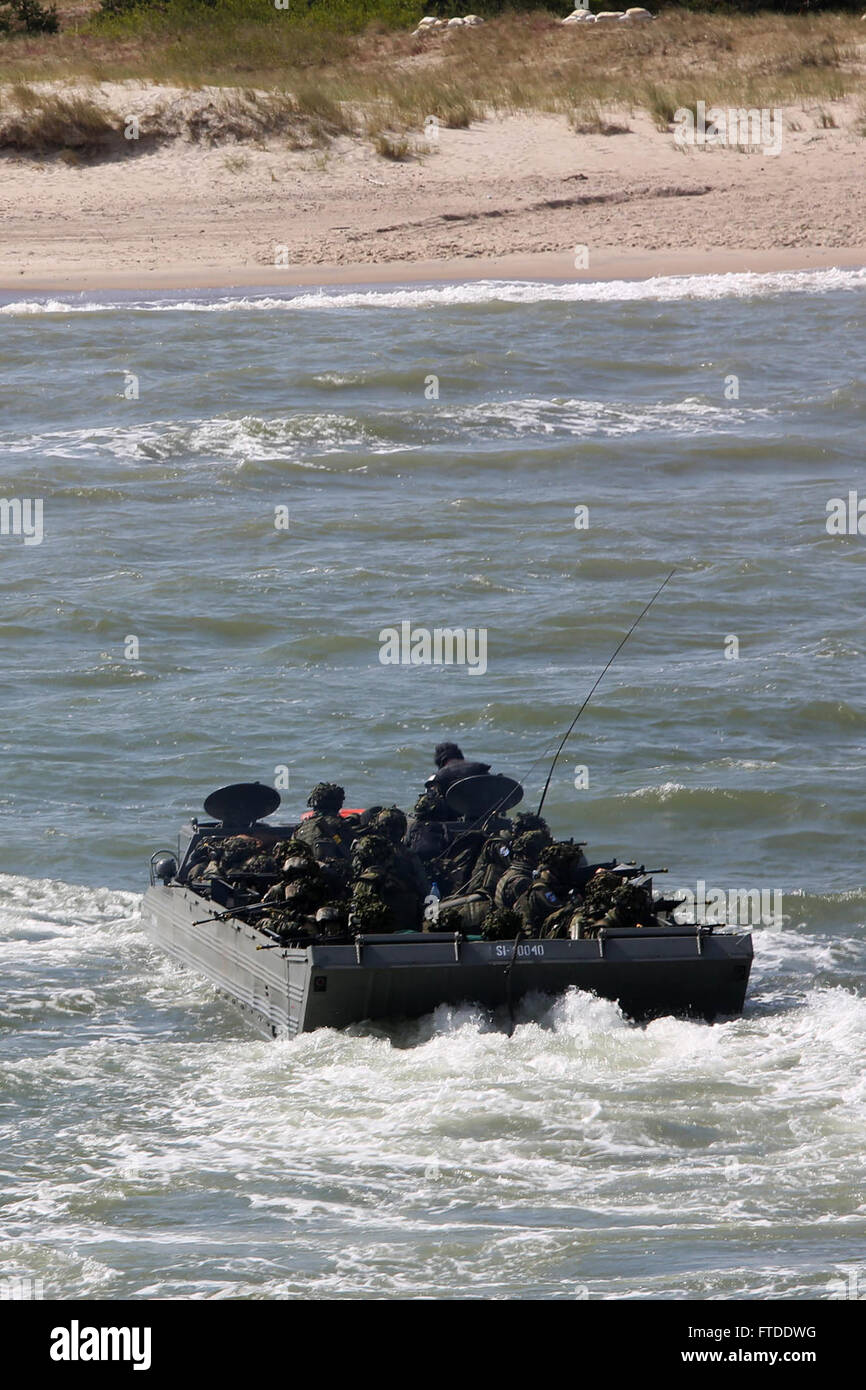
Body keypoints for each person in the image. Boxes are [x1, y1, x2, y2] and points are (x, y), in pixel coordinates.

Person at [293, 782, 353, 884]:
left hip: (302, 878)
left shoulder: (300, 828)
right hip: (331, 880)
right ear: (338, 803)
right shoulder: (339, 825)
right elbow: (352, 852)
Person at [425, 742, 491, 797]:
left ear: (440, 761)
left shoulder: (438, 776)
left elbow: (426, 804)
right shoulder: (480, 768)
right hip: (485, 807)